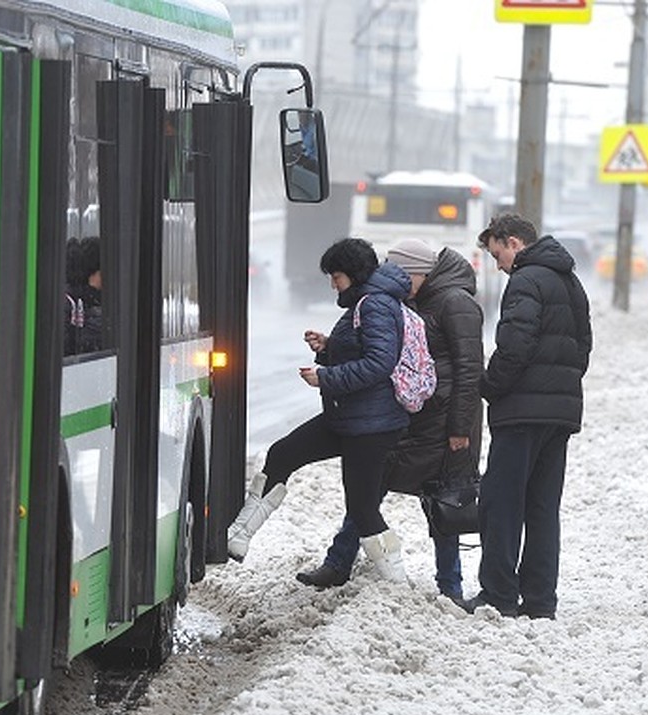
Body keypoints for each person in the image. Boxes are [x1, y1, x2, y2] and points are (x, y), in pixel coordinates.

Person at [295, 238, 484, 599]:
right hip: (407, 413)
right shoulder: (409, 299)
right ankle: (338, 563)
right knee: (368, 488)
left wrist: (460, 429)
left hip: (443, 423)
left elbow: (470, 370)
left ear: (419, 273)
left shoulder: (456, 303)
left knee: (444, 502)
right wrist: (332, 347)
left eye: (400, 272)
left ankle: (451, 587)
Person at [226, 238, 412, 580]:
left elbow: (379, 363)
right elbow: (362, 351)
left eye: (336, 276)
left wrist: (326, 377)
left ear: (354, 275)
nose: (332, 284)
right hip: (349, 417)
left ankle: (396, 581)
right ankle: (238, 535)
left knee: (362, 508)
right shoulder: (363, 302)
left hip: (372, 425)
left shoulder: (375, 305)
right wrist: (328, 348)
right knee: (282, 453)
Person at [456, 213, 592, 619]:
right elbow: (584, 346)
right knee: (542, 507)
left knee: (500, 503)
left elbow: (514, 346)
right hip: (560, 414)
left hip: (521, 413)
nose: (498, 264)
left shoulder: (526, 280)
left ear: (513, 242)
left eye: (498, 254)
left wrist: (489, 385)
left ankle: (498, 595)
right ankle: (540, 600)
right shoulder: (571, 281)